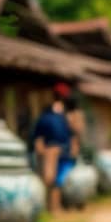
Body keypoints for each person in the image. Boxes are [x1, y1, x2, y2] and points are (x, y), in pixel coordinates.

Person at [32, 83, 74, 211]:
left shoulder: (66, 115)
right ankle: (49, 207)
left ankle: (56, 207)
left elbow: (72, 134)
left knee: (59, 181)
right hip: (51, 150)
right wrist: (40, 148)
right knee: (50, 180)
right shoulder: (47, 115)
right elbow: (38, 134)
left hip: (64, 151)